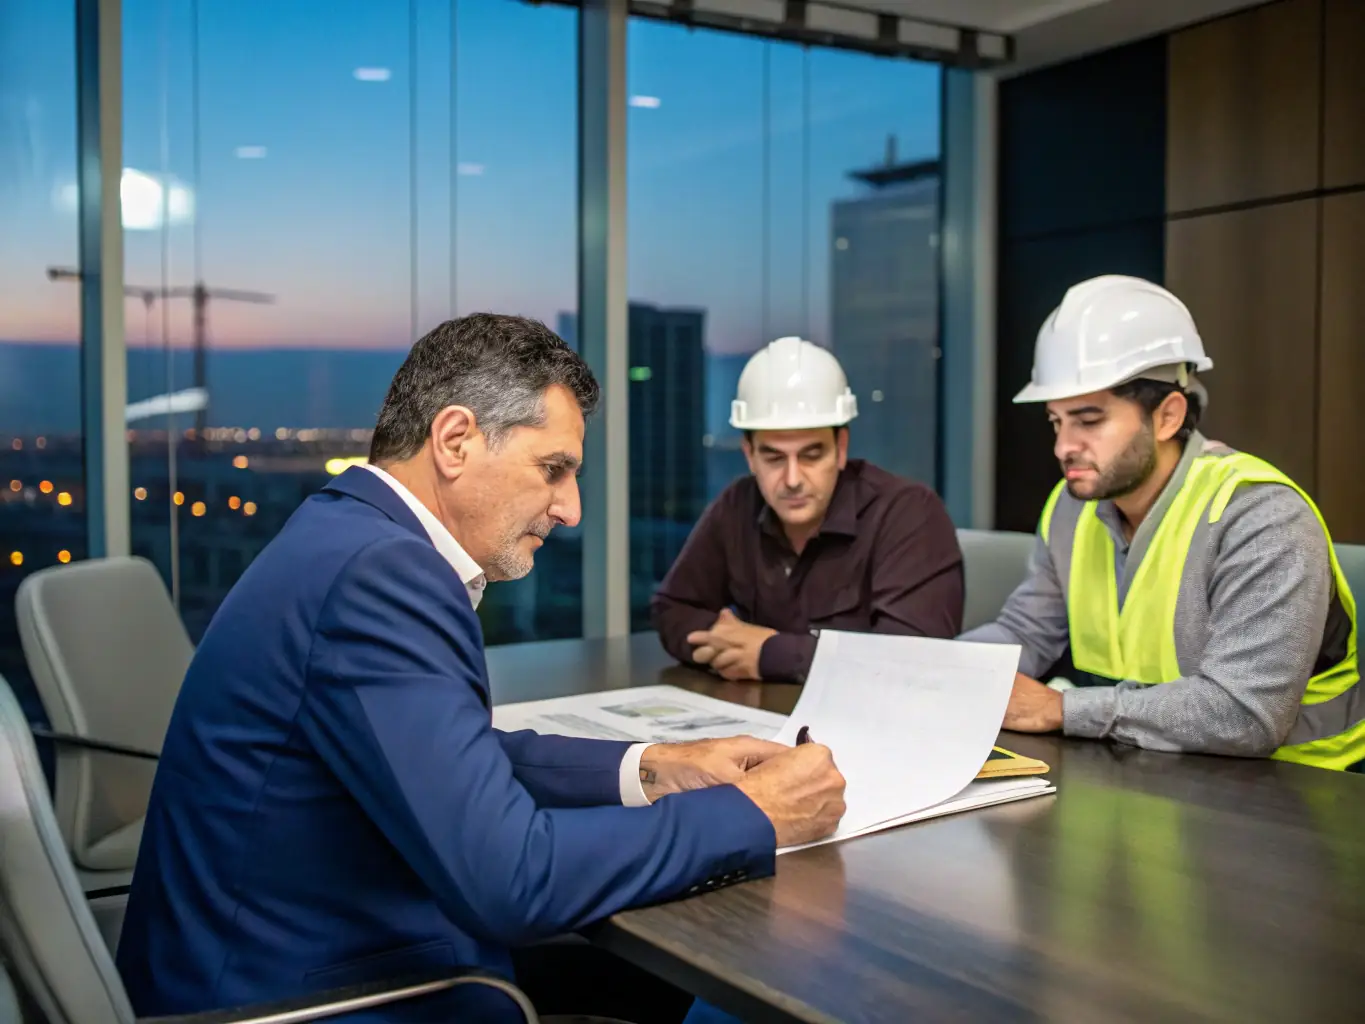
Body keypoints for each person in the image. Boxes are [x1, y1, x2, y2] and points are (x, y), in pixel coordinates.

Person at [116, 315, 848, 1022]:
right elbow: (513, 880)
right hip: (296, 998)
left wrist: (653, 767)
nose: (571, 509)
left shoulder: (345, 534)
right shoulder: (383, 577)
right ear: (456, 440)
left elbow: (451, 755)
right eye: (553, 470)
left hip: (271, 957)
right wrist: (754, 813)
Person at [962, 275, 1362, 770]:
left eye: (1088, 421)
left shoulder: (1258, 515)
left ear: (1168, 416)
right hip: (1143, 770)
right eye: (1055, 421)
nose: (1063, 446)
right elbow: (1027, 630)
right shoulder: (1070, 506)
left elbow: (1245, 713)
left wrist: (1062, 709)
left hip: (1298, 794)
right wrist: (936, 673)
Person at [651, 335, 964, 684]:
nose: (793, 478)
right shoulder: (737, 506)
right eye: (773, 457)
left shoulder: (908, 514)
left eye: (812, 455)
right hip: (759, 721)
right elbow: (672, 609)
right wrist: (732, 647)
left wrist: (770, 654)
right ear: (749, 455)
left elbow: (913, 662)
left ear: (841, 448)